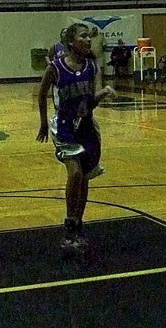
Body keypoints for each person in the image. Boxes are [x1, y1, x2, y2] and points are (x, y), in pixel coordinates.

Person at [36, 22, 115, 256]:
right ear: (71, 41)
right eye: (84, 36)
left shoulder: (92, 67)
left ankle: (78, 224)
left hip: (87, 127)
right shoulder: (57, 67)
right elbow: (41, 94)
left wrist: (102, 93)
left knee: (85, 178)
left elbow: (91, 101)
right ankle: (69, 225)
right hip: (65, 126)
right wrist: (42, 122)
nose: (89, 40)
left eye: (90, 37)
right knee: (75, 173)